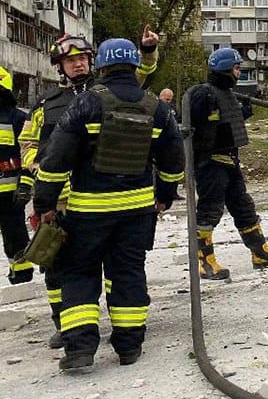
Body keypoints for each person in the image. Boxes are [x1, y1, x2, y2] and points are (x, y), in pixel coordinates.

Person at [31, 38, 184, 372]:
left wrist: (44, 203)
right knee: (128, 271)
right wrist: (165, 195)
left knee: (80, 273)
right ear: (133, 66)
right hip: (138, 212)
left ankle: (80, 351)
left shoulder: (85, 104)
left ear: (99, 65)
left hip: (89, 212)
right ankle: (129, 346)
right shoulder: (156, 106)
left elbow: (55, 161)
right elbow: (173, 159)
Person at [186, 48, 268, 280]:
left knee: (243, 206)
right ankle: (204, 260)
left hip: (229, 159)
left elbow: (223, 122)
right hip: (209, 162)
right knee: (209, 211)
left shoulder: (226, 93)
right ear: (225, 70)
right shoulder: (203, 94)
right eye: (236, 68)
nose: (239, 72)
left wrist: (241, 114)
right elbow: (196, 125)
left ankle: (259, 252)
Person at [0, 66, 33, 284]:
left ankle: (21, 271)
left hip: (10, 189)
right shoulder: (18, 117)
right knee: (15, 232)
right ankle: (21, 271)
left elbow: (28, 152)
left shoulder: (17, 118)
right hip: (12, 189)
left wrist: (25, 184)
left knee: (15, 232)